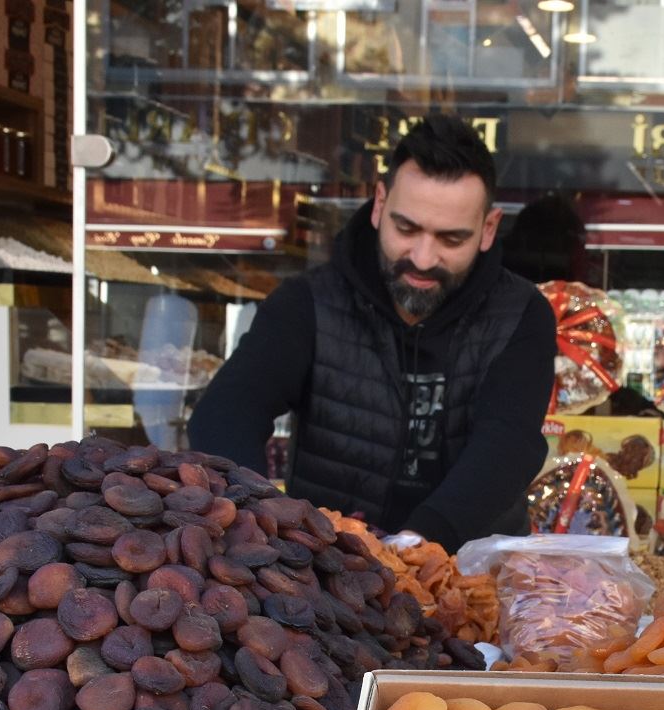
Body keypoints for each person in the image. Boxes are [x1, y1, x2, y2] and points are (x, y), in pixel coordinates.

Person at [189, 114, 556, 552]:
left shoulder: (522, 314)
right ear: (379, 204)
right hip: (326, 575)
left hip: (470, 572)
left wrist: (421, 544)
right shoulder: (308, 303)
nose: (422, 258)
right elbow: (226, 413)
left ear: (488, 229)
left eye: (450, 239)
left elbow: (507, 445)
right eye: (407, 228)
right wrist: (257, 519)